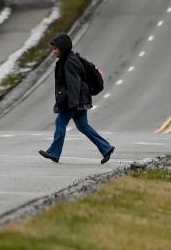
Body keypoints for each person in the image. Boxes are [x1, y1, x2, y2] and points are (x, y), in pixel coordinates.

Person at [38, 33, 114, 164]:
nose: (54, 51)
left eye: (56, 49)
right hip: (80, 99)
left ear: (62, 48)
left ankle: (54, 153)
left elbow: (74, 84)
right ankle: (106, 148)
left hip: (75, 101)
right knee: (83, 126)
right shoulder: (68, 59)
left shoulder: (69, 62)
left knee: (60, 122)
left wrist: (72, 103)